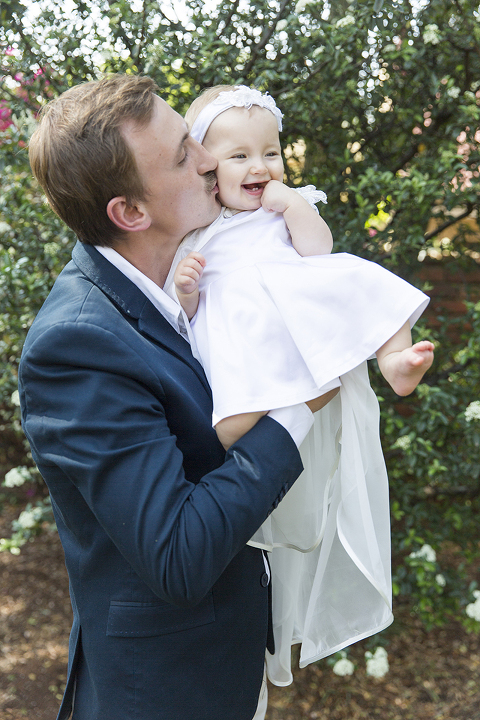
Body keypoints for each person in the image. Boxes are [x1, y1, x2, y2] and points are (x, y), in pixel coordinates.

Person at [19, 74, 329, 720]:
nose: (211, 158)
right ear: (131, 212)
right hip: (166, 694)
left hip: (228, 668)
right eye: (186, 153)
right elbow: (178, 554)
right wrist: (300, 407)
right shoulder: (76, 347)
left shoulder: (194, 276)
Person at [168, 85, 434, 686]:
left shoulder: (286, 208)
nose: (259, 167)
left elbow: (318, 253)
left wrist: (293, 209)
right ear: (208, 165)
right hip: (245, 335)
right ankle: (237, 432)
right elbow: (184, 312)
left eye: (270, 152)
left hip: (292, 309)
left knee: (356, 277)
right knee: (234, 412)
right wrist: (186, 290)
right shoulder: (200, 228)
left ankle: (394, 360)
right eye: (239, 156)